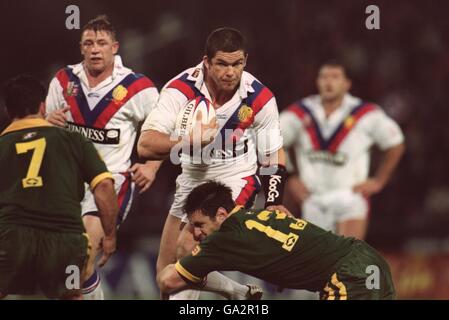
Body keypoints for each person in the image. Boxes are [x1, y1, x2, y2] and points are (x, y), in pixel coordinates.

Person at [138, 27, 287, 299]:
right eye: (222, 64)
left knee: (186, 248)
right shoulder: (180, 90)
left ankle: (264, 271)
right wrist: (189, 142)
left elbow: (273, 153)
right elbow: (146, 144)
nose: (230, 72)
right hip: (192, 179)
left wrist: (274, 199)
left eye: (237, 64)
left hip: (236, 177)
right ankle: (241, 293)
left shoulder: (259, 97)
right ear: (206, 62)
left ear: (245, 61)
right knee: (165, 276)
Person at [45, 15, 160, 299]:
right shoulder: (63, 81)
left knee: (77, 264)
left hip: (110, 183)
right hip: (66, 185)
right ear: (81, 48)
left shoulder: (139, 88)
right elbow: (41, 127)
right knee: (65, 277)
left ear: (115, 47)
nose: (95, 49)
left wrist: (152, 166)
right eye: (89, 43)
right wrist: (47, 121)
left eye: (101, 43)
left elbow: (162, 131)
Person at [157, 181, 396, 300]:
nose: (197, 233)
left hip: (348, 275)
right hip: (370, 262)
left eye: (199, 225)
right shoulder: (256, 215)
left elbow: (167, 282)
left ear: (221, 214)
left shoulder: (225, 237)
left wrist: (233, 292)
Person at [0, 75, 118, 300]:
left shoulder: (2, 146)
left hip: (13, 242)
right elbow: (104, 185)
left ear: (7, 110)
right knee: (71, 295)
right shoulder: (72, 140)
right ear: (43, 106)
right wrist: (110, 235)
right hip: (65, 245)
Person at [280, 61, 405, 239]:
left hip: (350, 196)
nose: (329, 82)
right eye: (324, 77)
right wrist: (290, 177)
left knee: (348, 259)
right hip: (313, 198)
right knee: (317, 263)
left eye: (335, 77)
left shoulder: (366, 113)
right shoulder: (301, 111)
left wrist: (379, 181)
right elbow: (271, 140)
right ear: (317, 81)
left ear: (347, 84)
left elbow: (396, 144)